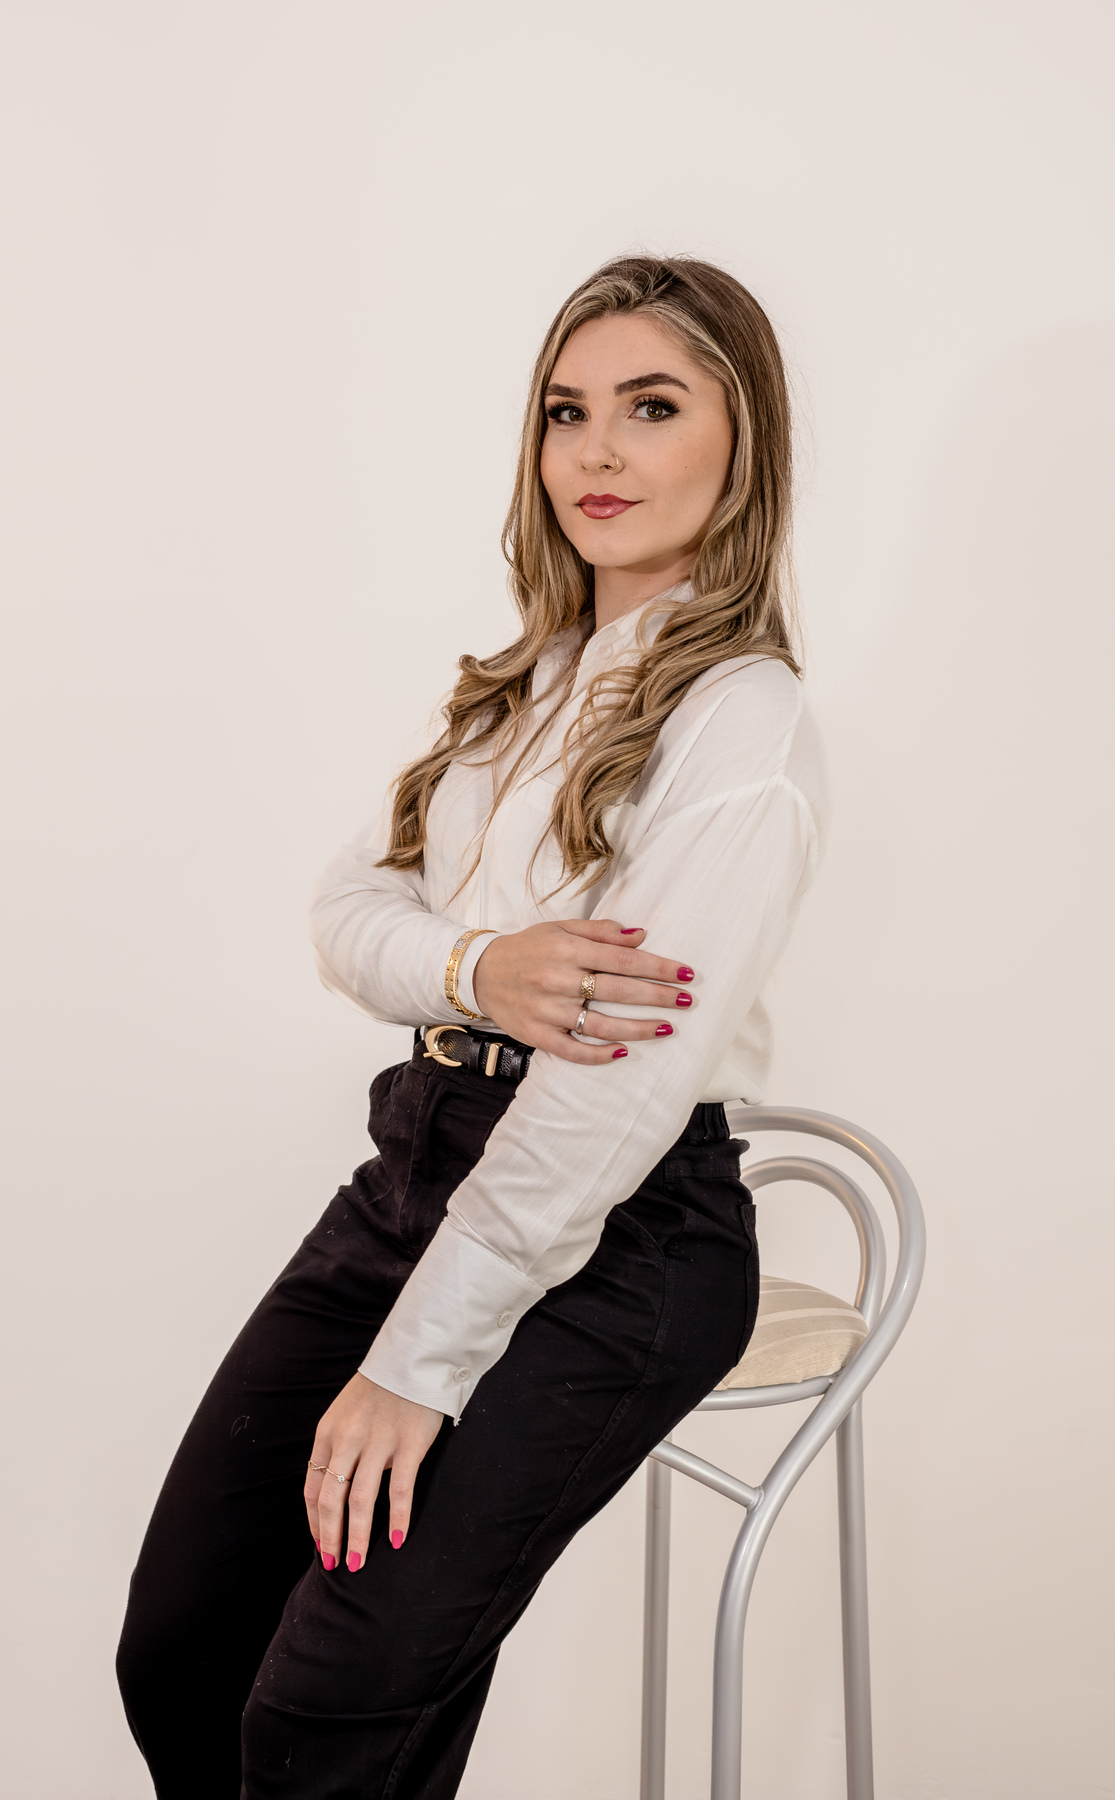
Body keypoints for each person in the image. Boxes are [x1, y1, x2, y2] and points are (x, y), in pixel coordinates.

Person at [116, 254, 828, 1799]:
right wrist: (478, 966)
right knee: (182, 1647)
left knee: (330, 1707)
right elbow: (344, 914)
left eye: (653, 407)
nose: (598, 451)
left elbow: (609, 1097)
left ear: (743, 438)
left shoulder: (739, 720)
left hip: (621, 1232)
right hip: (417, 1168)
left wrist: (419, 1365)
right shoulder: (517, 691)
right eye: (567, 411)